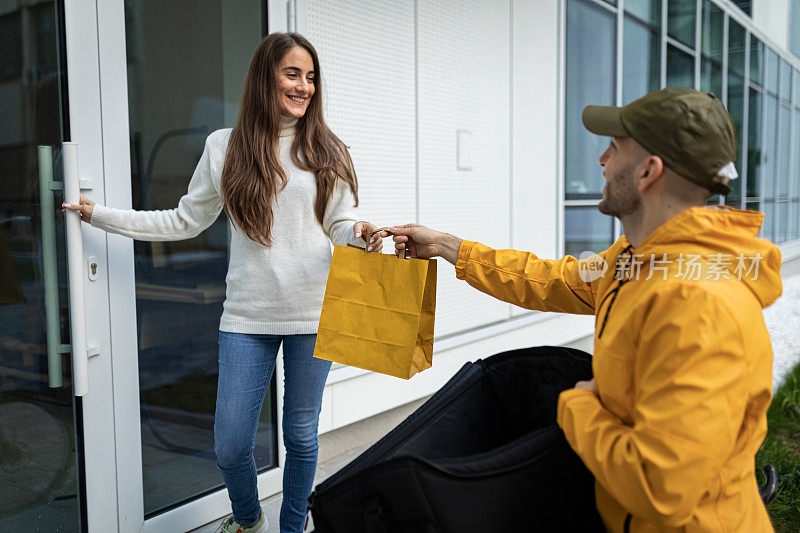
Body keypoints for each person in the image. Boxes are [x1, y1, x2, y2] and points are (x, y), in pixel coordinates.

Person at [389, 88, 781, 532]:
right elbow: (553, 279)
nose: (601, 159)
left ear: (648, 171)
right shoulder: (631, 260)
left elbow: (659, 487)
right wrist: (448, 247)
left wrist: (578, 404)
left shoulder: (699, 306)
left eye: (615, 147)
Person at [64, 33, 383, 533]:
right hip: (247, 316)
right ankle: (248, 519)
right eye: (293, 74)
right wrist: (99, 215)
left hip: (316, 312)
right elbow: (182, 222)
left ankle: (293, 525)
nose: (305, 86)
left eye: (311, 77)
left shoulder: (326, 148)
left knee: (300, 437)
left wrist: (362, 234)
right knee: (231, 442)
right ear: (265, 77)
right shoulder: (224, 146)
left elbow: (339, 226)